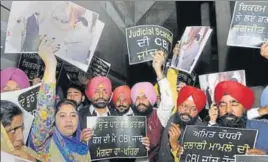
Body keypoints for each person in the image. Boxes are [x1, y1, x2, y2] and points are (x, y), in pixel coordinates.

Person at [29, 35, 91, 161]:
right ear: (53, 119)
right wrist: (51, 65)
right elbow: (44, 112)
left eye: (73, 115)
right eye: (62, 115)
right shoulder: (44, 144)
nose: (69, 120)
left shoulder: (83, 148)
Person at [130, 50, 174, 162]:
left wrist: (158, 71)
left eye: (145, 97)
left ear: (151, 99)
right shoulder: (128, 120)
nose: (140, 101)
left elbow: (169, 102)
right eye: (137, 98)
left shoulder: (159, 116)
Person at [208, 81, 266, 155]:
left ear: (244, 108)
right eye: (222, 104)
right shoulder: (206, 132)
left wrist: (264, 157)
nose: (228, 110)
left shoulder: (264, 130)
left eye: (234, 104)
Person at [158, 86, 207, 162]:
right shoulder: (173, 118)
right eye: (184, 105)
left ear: (198, 112)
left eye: (194, 109)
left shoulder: (201, 132)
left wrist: (175, 146)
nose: (187, 111)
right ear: (178, 104)